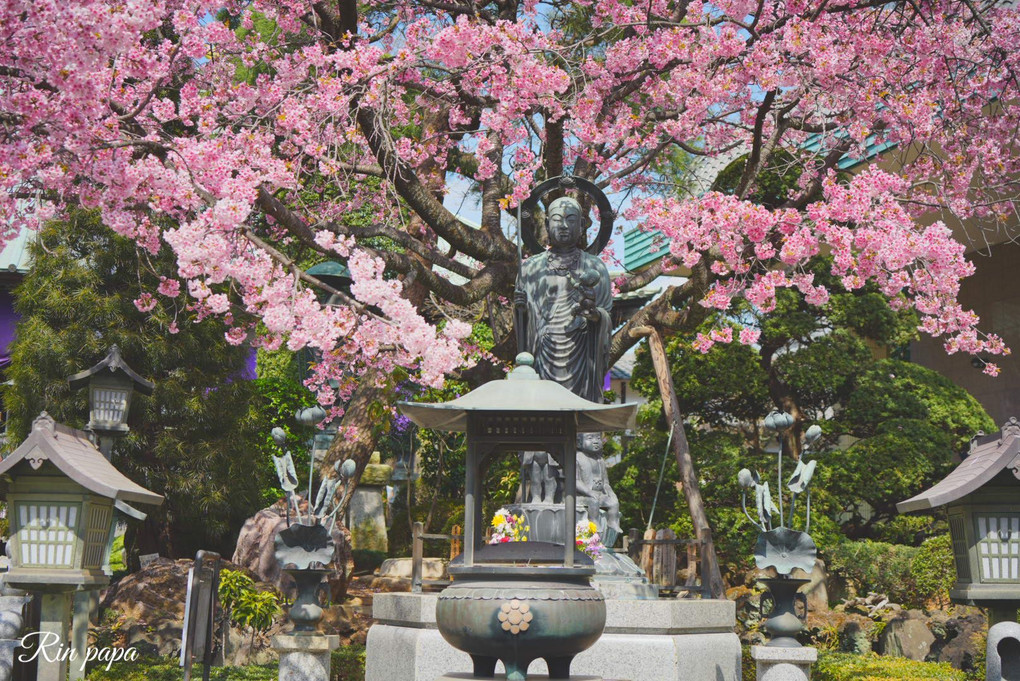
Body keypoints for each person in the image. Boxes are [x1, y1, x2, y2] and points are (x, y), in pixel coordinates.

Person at [514, 196, 612, 402]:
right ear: (548, 224)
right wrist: (521, 311)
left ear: (583, 226)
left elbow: (606, 315)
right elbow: (523, 322)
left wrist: (594, 315)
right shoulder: (529, 268)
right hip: (542, 350)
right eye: (558, 219)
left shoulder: (595, 267)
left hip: (582, 352)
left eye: (571, 219)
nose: (564, 225)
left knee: (579, 412)